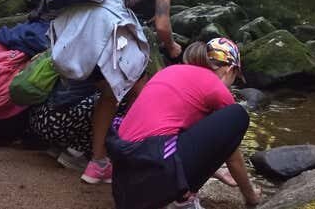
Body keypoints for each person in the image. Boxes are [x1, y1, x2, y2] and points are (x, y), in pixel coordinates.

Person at [48, 0, 182, 184]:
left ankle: (97, 163)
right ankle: (152, 162)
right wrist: (172, 47)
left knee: (111, 94)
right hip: (104, 24)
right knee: (142, 93)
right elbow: (162, 24)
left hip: (75, 23)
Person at [107, 38, 262, 209]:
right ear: (230, 70)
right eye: (235, 77)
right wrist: (251, 196)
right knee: (238, 115)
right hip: (152, 173)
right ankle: (182, 200)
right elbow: (232, 156)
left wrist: (217, 173)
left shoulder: (171, 71)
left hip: (123, 183)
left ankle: (176, 196)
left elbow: (172, 131)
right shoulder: (215, 87)